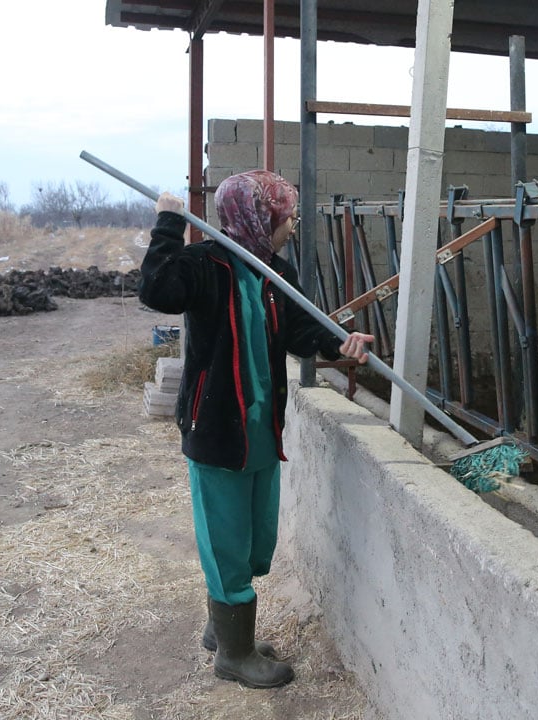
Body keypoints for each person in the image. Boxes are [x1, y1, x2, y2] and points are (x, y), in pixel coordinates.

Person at [139, 170, 373, 689]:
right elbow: (156, 290)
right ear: (256, 217)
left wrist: (340, 345)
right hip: (217, 430)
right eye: (283, 214)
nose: (291, 222)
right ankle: (234, 654)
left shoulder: (274, 271)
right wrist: (168, 224)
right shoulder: (203, 267)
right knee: (226, 539)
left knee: (252, 541)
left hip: (262, 430)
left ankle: (223, 630)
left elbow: (300, 331)